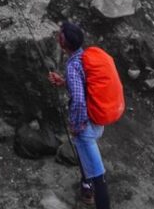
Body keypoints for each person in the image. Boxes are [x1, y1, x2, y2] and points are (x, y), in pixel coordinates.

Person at [48, 21, 112, 209]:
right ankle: (86, 188)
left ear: (62, 42)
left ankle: (97, 199)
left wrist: (76, 127)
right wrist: (63, 82)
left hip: (86, 127)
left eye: (60, 35)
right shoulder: (84, 57)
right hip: (97, 120)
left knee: (99, 176)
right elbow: (84, 87)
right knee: (86, 158)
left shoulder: (72, 66)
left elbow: (77, 100)